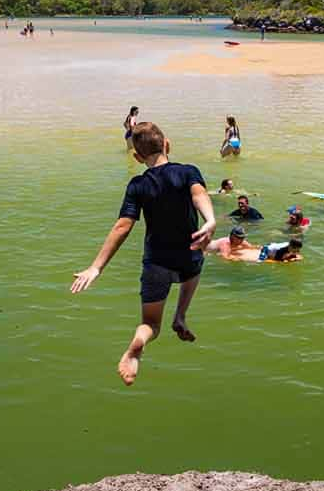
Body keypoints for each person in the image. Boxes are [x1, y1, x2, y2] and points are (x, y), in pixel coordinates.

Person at [70, 122, 216, 386]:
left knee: (150, 323)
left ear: (137, 157)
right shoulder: (187, 172)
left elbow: (122, 226)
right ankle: (180, 316)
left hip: (155, 264)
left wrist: (96, 268)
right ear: (167, 144)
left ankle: (139, 342)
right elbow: (199, 194)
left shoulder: (137, 184)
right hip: (188, 257)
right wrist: (210, 220)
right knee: (196, 262)